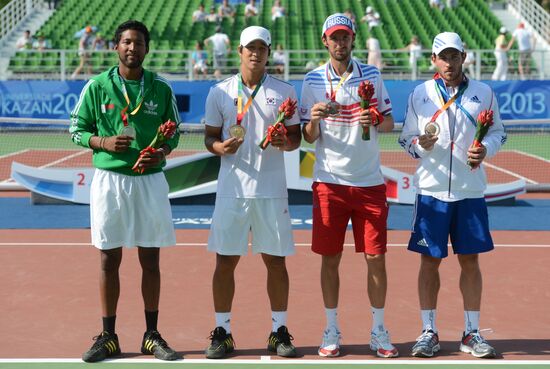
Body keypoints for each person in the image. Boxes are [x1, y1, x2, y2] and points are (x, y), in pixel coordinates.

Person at [70, 20, 181, 363]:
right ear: (116, 47)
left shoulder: (161, 88)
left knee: (150, 258)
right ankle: (109, 336)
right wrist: (103, 141)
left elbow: (174, 132)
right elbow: (76, 128)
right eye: (127, 43)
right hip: (109, 179)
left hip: (150, 180)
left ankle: (151, 334)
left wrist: (161, 152)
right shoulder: (97, 86)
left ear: (147, 49)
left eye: (139, 43)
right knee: (108, 258)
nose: (133, 48)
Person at [398, 32, 506, 359]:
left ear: (464, 56)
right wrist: (420, 145)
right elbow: (405, 140)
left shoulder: (483, 93)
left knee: (470, 261)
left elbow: (499, 131)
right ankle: (428, 330)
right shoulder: (420, 94)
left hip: (470, 191)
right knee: (429, 261)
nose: (449, 62)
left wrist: (486, 148)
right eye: (442, 56)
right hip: (431, 191)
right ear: (433, 60)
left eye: (454, 55)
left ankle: (471, 333)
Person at [300, 13, 398, 358]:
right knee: (330, 259)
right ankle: (331, 328)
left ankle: (379, 330)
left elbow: (388, 123)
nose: (340, 43)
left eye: (345, 37)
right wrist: (313, 118)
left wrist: (376, 118)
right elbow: (306, 136)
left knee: (376, 259)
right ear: (325, 41)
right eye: (334, 38)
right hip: (329, 182)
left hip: (370, 182)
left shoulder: (371, 74)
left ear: (353, 39)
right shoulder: (312, 79)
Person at [203, 25, 301, 360]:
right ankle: (223, 331)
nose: (255, 53)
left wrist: (283, 142)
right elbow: (209, 138)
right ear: (239, 51)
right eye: (250, 48)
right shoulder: (219, 91)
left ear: (269, 52)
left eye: (261, 48)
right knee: (225, 260)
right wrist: (220, 147)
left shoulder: (284, 91)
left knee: (275, 262)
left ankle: (279, 330)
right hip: (232, 190)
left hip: (271, 190)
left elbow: (295, 139)